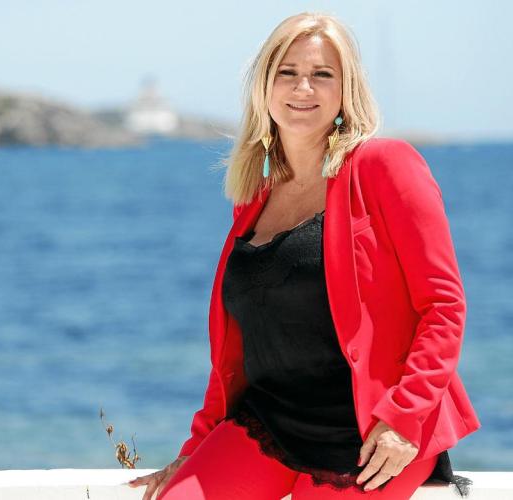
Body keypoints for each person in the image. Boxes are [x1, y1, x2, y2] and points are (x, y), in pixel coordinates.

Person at [129, 11, 481, 500]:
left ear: (346, 89)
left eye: (322, 74)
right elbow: (240, 345)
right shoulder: (254, 195)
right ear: (265, 86)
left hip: (372, 432)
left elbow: (442, 305)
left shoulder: (385, 165)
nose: (303, 88)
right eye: (288, 72)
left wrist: (404, 419)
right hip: (269, 421)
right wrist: (199, 445)